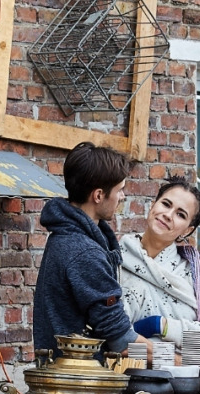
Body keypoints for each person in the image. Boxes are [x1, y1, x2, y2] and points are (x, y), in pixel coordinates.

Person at [32, 142, 137, 357]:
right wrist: (179, 359)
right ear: (98, 195)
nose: (123, 197)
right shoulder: (84, 253)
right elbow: (121, 342)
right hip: (80, 384)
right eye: (120, 190)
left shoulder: (65, 237)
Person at [118, 176, 200, 345]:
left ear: (188, 230)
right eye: (166, 204)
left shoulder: (196, 274)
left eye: (180, 214)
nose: (168, 215)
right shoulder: (116, 259)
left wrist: (161, 326)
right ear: (152, 206)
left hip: (180, 370)